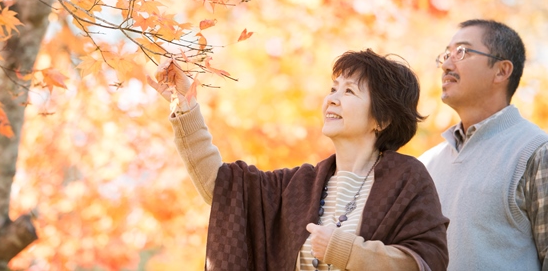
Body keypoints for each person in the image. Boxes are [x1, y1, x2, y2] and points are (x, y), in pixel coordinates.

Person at [149, 49, 448, 271]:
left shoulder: (408, 178)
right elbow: (223, 188)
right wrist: (185, 105)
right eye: (333, 89)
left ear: (381, 119)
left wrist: (347, 251)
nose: (332, 99)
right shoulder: (298, 185)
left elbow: (425, 262)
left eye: (349, 91)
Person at [419, 19, 548, 271]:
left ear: (501, 71)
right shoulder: (426, 164)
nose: (446, 65)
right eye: (446, 54)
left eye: (462, 52)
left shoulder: (536, 151)